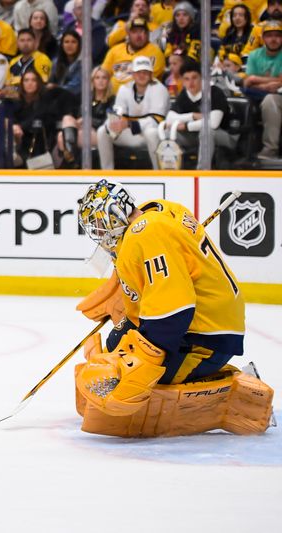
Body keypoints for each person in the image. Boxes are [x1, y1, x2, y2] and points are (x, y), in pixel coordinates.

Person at [73, 179, 273, 437]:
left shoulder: (146, 234)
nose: (99, 234)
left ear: (115, 215)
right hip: (206, 315)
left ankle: (236, 390)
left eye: (100, 225)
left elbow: (175, 309)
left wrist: (145, 362)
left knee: (129, 381)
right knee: (112, 348)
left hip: (206, 332)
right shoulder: (155, 211)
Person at [159, 60, 235, 168]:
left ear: (202, 77)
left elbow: (213, 123)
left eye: (194, 78)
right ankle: (171, 172)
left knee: (206, 131)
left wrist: (186, 125)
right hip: (195, 136)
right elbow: (170, 118)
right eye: (186, 79)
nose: (191, 83)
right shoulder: (185, 94)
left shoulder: (214, 92)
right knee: (168, 133)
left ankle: (202, 173)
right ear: (182, 81)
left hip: (222, 135)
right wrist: (192, 116)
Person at [97, 55, 169, 169]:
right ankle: (107, 174)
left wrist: (129, 124)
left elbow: (157, 121)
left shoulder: (159, 89)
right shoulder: (124, 89)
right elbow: (117, 113)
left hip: (156, 134)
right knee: (102, 131)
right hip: (132, 133)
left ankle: (160, 173)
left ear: (151, 74)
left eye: (145, 72)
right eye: (138, 72)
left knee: (151, 132)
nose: (142, 75)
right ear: (133, 74)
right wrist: (113, 123)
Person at [56, 66, 115, 166]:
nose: (100, 81)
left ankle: (71, 160)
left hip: (100, 134)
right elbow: (78, 118)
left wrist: (88, 121)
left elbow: (109, 122)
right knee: (67, 119)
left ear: (108, 81)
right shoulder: (86, 98)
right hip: (83, 130)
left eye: (104, 78)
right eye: (97, 78)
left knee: (62, 137)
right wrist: (81, 121)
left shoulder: (112, 99)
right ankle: (71, 155)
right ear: (93, 81)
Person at [244, 20, 282, 160]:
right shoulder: (254, 55)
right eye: (269, 35)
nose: (273, 39)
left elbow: (281, 81)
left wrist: (256, 79)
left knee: (270, 100)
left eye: (277, 35)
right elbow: (248, 82)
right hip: (258, 94)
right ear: (263, 38)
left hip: (279, 95)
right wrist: (267, 85)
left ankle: (270, 149)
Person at [101, 17, 166, 92]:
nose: (138, 35)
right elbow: (103, 74)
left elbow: (147, 80)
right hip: (112, 98)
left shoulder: (155, 52)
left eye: (142, 31)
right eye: (134, 32)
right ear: (128, 34)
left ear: (148, 34)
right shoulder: (115, 50)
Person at [49, 29, 81, 96]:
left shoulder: (83, 64)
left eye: (73, 42)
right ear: (62, 45)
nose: (70, 45)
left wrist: (55, 88)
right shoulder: (55, 62)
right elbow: (50, 82)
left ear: (79, 45)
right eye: (66, 42)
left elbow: (74, 88)